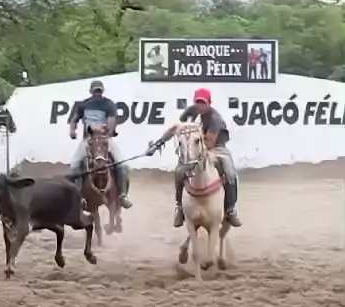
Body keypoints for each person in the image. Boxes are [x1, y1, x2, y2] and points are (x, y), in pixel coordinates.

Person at [146, 87, 242, 228]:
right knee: (180, 171)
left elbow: (210, 142)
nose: (200, 105)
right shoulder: (190, 112)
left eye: (203, 102)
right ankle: (179, 207)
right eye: (198, 102)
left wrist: (196, 147)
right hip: (194, 146)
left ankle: (230, 210)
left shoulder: (215, 119)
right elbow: (176, 129)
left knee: (230, 172)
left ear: (209, 103)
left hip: (216, 147)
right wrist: (157, 145)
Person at [69, 80, 132, 209]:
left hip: (104, 139)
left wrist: (107, 132)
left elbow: (112, 121)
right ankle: (79, 197)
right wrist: (72, 130)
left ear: (102, 91)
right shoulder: (83, 105)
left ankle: (123, 195)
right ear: (90, 91)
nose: (97, 93)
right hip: (88, 140)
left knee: (123, 165)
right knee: (74, 165)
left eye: (99, 90)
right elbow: (74, 119)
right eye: (95, 91)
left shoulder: (109, 104)